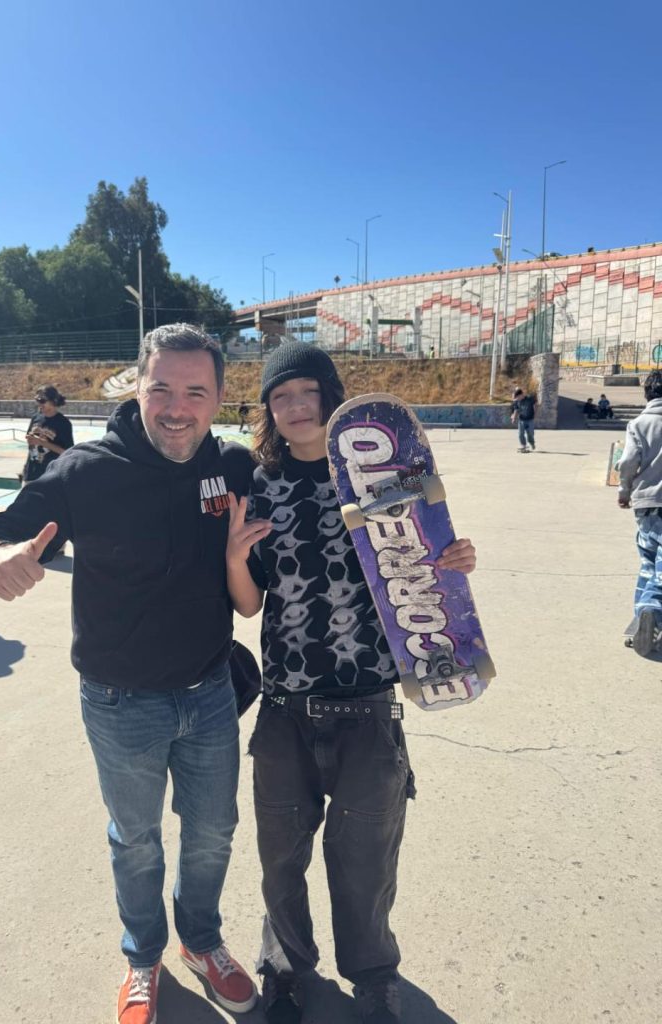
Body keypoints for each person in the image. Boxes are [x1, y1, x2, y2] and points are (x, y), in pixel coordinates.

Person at [0, 324, 258, 1024]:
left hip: (211, 690)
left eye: (196, 391)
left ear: (218, 398)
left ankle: (202, 942)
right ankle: (142, 957)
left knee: (213, 831)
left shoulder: (233, 468)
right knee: (137, 840)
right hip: (121, 701)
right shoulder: (86, 471)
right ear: (138, 387)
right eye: (162, 388)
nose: (177, 407)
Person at [225, 343, 477, 1024]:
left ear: (332, 399)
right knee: (281, 857)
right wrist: (234, 558)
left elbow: (424, 570)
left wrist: (455, 559)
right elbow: (249, 606)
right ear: (268, 410)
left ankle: (372, 975)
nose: (296, 408)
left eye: (308, 393)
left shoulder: (379, 477)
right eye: (281, 397)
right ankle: (283, 964)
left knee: (365, 860)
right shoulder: (260, 482)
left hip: (369, 703)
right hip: (285, 704)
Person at [617, 369, 662, 657]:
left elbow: (628, 462)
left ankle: (640, 624)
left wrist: (624, 492)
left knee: (648, 562)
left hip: (646, 503)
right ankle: (651, 611)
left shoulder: (639, 423)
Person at [22, 385, 74, 484]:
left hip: (50, 477)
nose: (38, 404)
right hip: (31, 474)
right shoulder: (35, 418)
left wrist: (43, 443)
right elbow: (31, 442)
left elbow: (67, 453)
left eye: (42, 401)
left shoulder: (63, 423)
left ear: (53, 401)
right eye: (37, 400)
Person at [510, 387, 537, 452]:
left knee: (530, 433)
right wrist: (514, 417)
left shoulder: (529, 399)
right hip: (521, 419)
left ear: (521, 395)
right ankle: (523, 445)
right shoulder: (517, 401)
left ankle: (532, 443)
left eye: (518, 397)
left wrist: (535, 413)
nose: (517, 399)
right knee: (520, 434)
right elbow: (516, 409)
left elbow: (535, 404)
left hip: (530, 419)